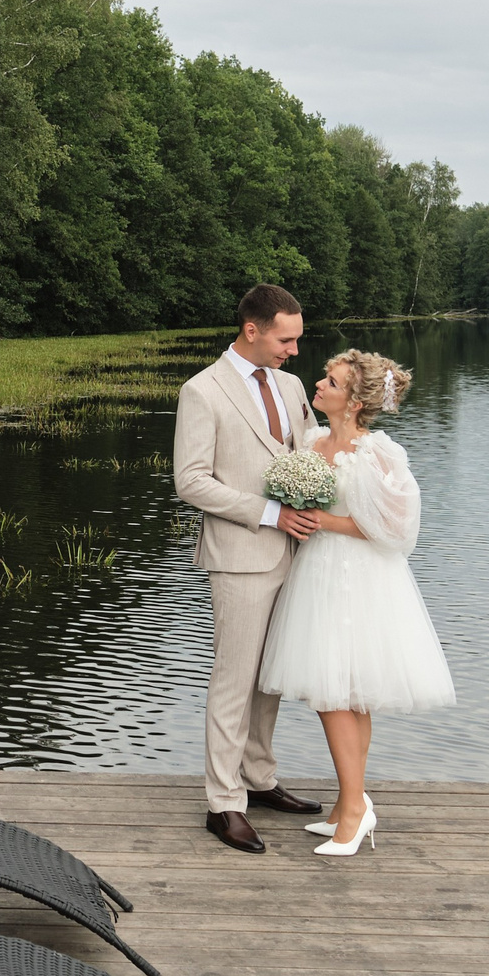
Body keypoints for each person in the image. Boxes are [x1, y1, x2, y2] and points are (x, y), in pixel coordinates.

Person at [257, 349, 456, 858]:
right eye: (324, 377)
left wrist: (322, 521)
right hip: (318, 574)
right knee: (345, 692)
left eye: (331, 381)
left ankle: (353, 810)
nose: (319, 385)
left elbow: (393, 529)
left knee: (337, 695)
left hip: (357, 578)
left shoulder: (377, 452)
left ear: (353, 400)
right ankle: (353, 802)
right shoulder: (312, 441)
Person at [172, 283, 329, 853]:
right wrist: (270, 514)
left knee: (272, 677)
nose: (294, 351)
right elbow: (190, 481)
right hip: (240, 556)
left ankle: (259, 779)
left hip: (296, 554)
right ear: (253, 330)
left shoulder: (289, 387)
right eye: (286, 339)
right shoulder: (202, 391)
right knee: (235, 680)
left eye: (297, 340)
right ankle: (223, 802)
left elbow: (308, 452)